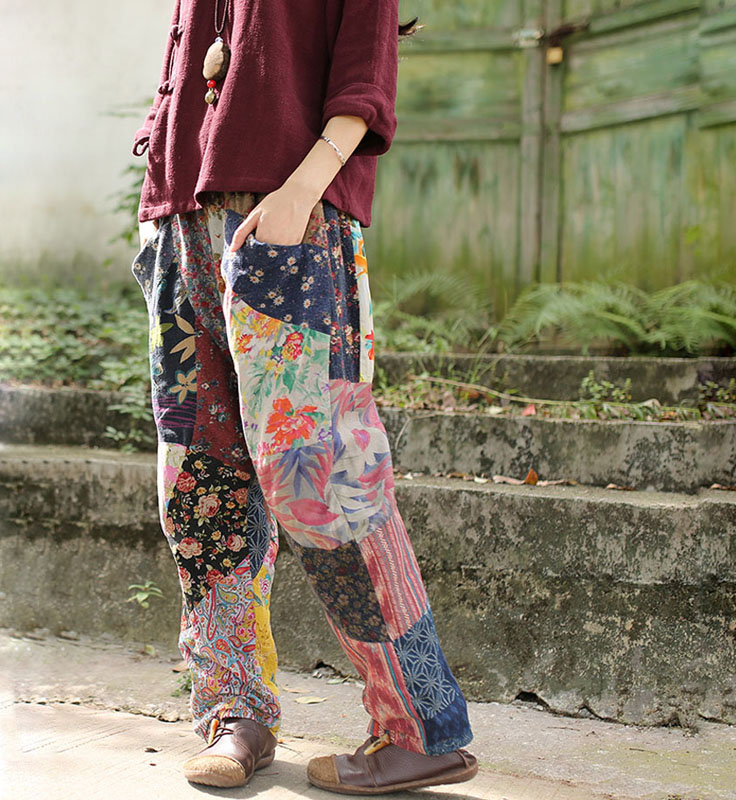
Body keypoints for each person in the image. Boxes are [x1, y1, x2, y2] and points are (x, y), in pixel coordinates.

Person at [129, 0, 477, 793]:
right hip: (180, 225)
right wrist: (157, 172)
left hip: (291, 223)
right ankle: (235, 712)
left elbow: (365, 76)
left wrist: (301, 189)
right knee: (198, 489)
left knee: (323, 479)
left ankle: (420, 727)